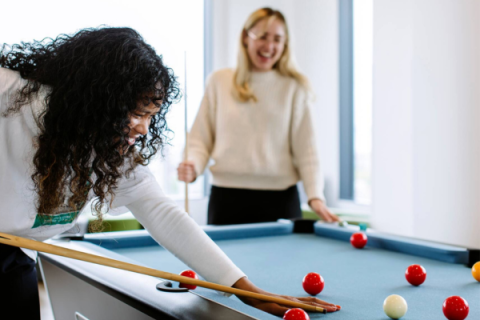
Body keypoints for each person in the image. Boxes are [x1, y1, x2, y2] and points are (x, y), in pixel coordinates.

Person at [0, 27, 339, 319]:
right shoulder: (10, 96)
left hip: (12, 260)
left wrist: (248, 291)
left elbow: (165, 214)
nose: (144, 128)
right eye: (135, 112)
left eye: (150, 115)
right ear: (97, 101)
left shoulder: (112, 155)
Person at [178, 8, 340, 225]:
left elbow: (307, 151)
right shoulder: (219, 81)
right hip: (227, 199)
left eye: (277, 39)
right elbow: (199, 139)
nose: (269, 46)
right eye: (262, 36)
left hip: (281, 201)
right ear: (246, 38)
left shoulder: (295, 87)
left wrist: (315, 197)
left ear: (285, 44)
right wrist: (193, 165)